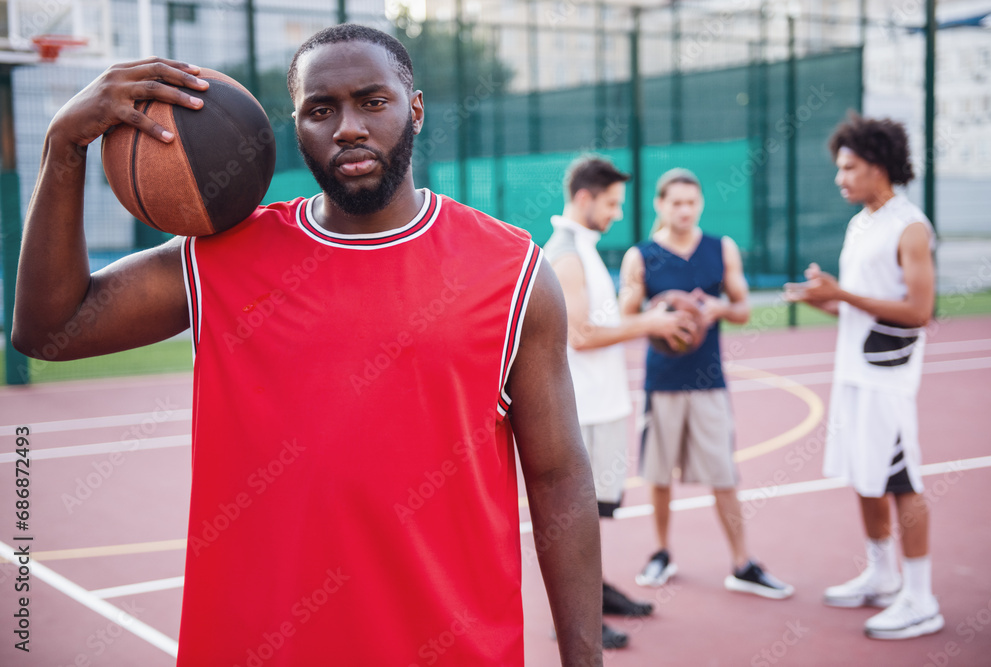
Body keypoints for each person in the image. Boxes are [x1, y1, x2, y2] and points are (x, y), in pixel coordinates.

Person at [12, 25, 603, 666]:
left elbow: (558, 477)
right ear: (295, 126)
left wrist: (585, 659)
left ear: (416, 109)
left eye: (372, 101)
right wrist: (63, 146)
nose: (348, 127)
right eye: (321, 110)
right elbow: (49, 330)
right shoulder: (226, 258)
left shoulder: (512, 272)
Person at [784, 113, 942, 640]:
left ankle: (921, 598)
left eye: (848, 167)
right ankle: (882, 574)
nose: (840, 178)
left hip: (887, 378)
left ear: (878, 166)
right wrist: (825, 297)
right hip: (853, 373)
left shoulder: (910, 226)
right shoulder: (861, 223)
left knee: (901, 482)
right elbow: (858, 309)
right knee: (865, 474)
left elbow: (920, 310)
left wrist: (844, 295)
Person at [619, 168, 794, 600]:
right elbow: (625, 316)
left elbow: (742, 309)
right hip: (662, 381)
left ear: (699, 205)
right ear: (660, 204)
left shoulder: (721, 248)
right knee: (658, 476)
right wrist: (659, 316)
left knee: (723, 475)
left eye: (691, 203)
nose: (684, 210)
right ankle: (661, 552)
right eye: (675, 202)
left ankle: (741, 563)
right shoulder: (641, 256)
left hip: (709, 379)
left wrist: (714, 309)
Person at [544, 156, 694, 649]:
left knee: (599, 515)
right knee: (575, 523)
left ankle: (598, 592)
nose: (615, 214)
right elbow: (583, 335)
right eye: (610, 204)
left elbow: (602, 319)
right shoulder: (565, 252)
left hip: (604, 407)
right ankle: (575, 620)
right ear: (585, 198)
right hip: (581, 411)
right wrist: (652, 325)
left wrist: (643, 312)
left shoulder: (585, 248)